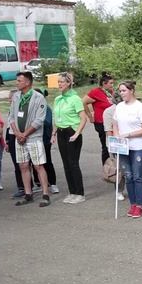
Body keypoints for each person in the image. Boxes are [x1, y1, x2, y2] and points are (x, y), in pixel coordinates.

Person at [9, 72, 50, 207]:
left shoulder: (38, 98)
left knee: (38, 165)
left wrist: (25, 134)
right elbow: (11, 117)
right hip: (19, 138)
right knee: (23, 165)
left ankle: (45, 194)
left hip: (33, 137)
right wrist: (17, 134)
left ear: (27, 82)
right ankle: (28, 194)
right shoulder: (16, 97)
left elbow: (39, 120)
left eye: (19, 81)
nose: (17, 83)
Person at [113, 81, 142, 218]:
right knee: (128, 176)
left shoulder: (140, 107)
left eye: (124, 90)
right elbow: (115, 124)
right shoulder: (119, 107)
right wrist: (117, 136)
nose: (122, 93)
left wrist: (128, 134)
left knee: (137, 176)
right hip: (123, 146)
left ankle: (139, 205)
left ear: (132, 90)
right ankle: (133, 203)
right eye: (120, 91)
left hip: (138, 146)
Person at [51, 73, 87, 204]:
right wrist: (54, 133)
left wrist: (77, 133)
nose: (60, 84)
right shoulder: (58, 99)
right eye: (59, 82)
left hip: (72, 131)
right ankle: (72, 192)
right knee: (66, 164)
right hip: (61, 132)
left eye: (62, 82)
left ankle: (80, 193)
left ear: (69, 83)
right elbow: (57, 117)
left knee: (73, 163)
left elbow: (83, 118)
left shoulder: (75, 98)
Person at [83, 73, 115, 165]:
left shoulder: (110, 92)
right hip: (101, 122)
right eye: (111, 83)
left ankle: (114, 165)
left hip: (112, 122)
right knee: (106, 145)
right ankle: (106, 166)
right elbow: (84, 102)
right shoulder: (96, 92)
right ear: (104, 83)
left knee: (113, 144)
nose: (112, 85)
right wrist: (90, 116)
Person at [34, 88, 58, 195]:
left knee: (47, 161)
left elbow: (47, 123)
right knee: (35, 163)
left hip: (45, 139)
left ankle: (53, 184)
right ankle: (39, 183)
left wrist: (35, 121)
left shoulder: (46, 108)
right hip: (34, 139)